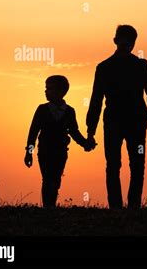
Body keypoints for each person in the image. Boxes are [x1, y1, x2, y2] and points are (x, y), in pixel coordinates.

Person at [86, 25, 147, 209]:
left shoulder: (130, 66)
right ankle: (122, 206)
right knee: (124, 164)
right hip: (122, 121)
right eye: (123, 41)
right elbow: (96, 100)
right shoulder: (108, 67)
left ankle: (127, 206)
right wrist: (91, 131)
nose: (124, 45)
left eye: (127, 41)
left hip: (130, 122)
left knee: (127, 163)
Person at [24, 75, 96, 208]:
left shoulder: (69, 112)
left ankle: (51, 206)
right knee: (47, 179)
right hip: (45, 151)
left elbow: (74, 132)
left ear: (60, 91)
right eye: (46, 88)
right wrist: (29, 152)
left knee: (56, 180)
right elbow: (33, 132)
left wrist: (85, 143)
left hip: (61, 152)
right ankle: (48, 207)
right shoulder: (42, 109)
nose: (46, 91)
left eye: (49, 89)